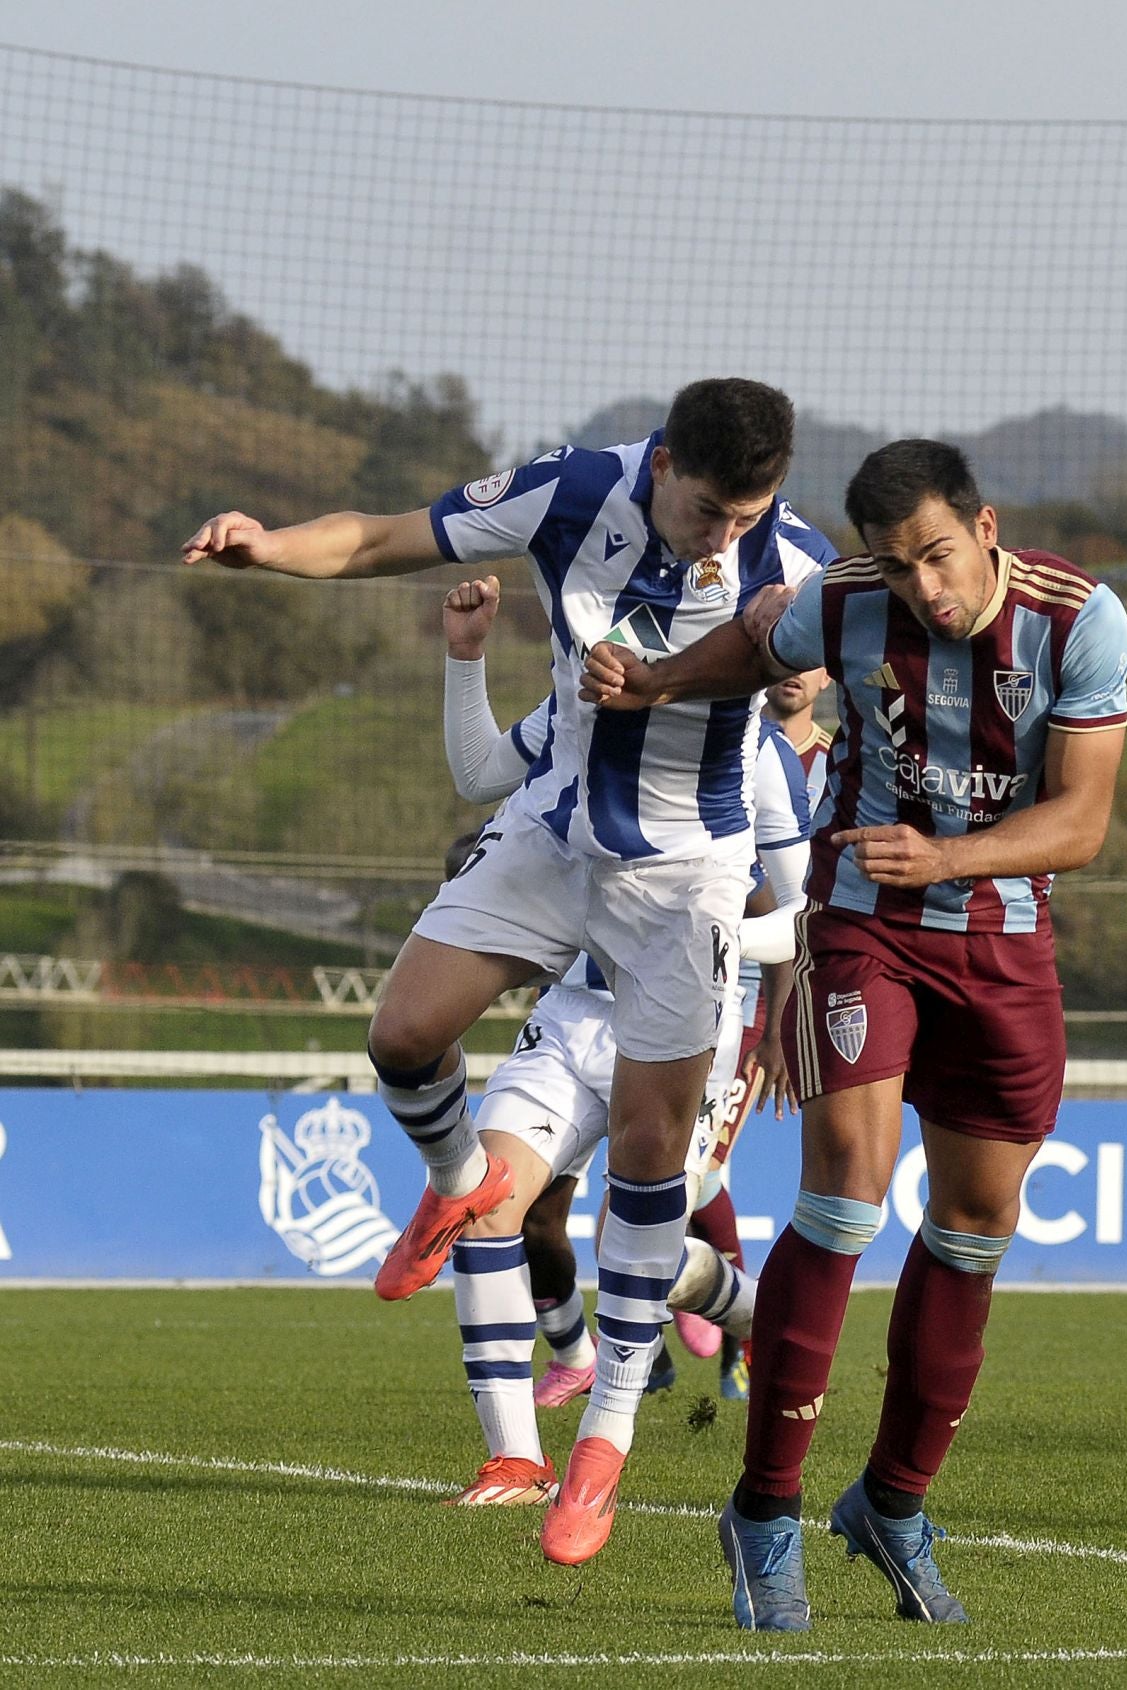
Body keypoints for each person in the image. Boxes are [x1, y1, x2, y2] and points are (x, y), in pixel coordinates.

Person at [181, 378, 838, 1560]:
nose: (724, 536)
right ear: (666, 461)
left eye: (749, 515)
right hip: (555, 831)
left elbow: (817, 669)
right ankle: (453, 1181)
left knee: (647, 1163)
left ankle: (601, 1447)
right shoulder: (575, 488)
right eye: (707, 510)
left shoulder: (791, 556)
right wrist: (269, 546)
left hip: (689, 876)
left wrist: (803, 679)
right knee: (401, 1036)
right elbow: (386, 535)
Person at [581, 438, 1127, 1628]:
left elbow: (1081, 821)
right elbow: (753, 645)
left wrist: (952, 856)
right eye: (894, 565)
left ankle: (891, 1499)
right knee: (845, 1198)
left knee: (978, 1224)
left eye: (936, 555)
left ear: (987, 527)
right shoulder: (842, 602)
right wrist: (656, 680)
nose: (922, 588)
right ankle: (765, 1508)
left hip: (1004, 941)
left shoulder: (1078, 620)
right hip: (865, 926)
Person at [433, 577, 808, 1505]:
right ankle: (515, 1461)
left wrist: (703, 945)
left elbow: (803, 921)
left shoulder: (758, 755)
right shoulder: (575, 713)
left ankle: (765, 1314)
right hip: (571, 1016)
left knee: (633, 1254)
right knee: (486, 1202)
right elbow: (481, 769)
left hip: (686, 1026)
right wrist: (466, 655)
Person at [701, 663, 832, 1400]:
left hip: (758, 995)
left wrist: (779, 1024)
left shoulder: (835, 763)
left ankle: (738, 1330)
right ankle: (665, 1324)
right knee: (658, 1170)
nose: (787, 673)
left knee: (700, 1172)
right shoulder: (720, 737)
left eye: (804, 658)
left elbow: (802, 905)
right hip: (679, 974)